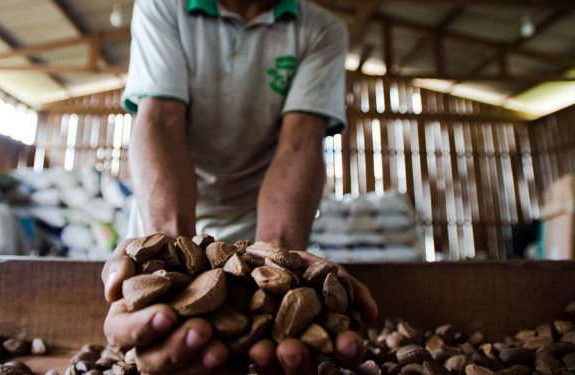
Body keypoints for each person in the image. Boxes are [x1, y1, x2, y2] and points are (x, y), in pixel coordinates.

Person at [102, 0, 378, 373]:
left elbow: (298, 145)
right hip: (168, 213)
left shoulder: (320, 28)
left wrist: (279, 267)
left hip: (260, 223)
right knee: (160, 345)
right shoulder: (165, 6)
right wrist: (171, 259)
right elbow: (161, 122)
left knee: (263, 355)